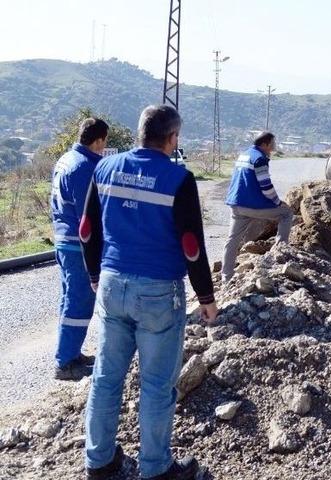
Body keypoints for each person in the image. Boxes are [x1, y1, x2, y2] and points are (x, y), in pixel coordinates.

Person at [80, 105, 217, 480]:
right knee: (156, 384)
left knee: (107, 378)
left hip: (111, 283)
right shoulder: (178, 179)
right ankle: (155, 468)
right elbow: (191, 245)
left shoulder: (104, 168)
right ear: (172, 138)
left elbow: (87, 229)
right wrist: (206, 297)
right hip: (158, 293)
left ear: (140, 133)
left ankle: (99, 461)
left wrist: (94, 273)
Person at [50, 118, 109, 380]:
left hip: (64, 240)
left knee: (69, 299)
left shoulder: (65, 159)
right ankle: (65, 363)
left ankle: (71, 353)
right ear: (98, 141)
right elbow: (90, 217)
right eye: (105, 142)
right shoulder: (86, 167)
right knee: (79, 301)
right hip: (78, 245)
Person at [222, 131, 293, 282]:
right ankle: (279, 255)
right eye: (272, 145)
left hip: (236, 204)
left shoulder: (244, 154)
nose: (273, 149)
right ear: (264, 144)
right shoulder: (260, 159)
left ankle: (226, 276)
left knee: (232, 240)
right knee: (286, 214)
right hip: (253, 205)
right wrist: (278, 202)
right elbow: (266, 187)